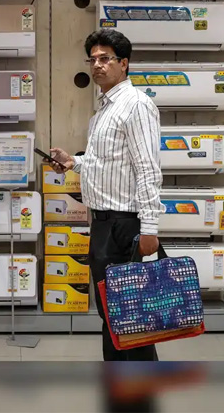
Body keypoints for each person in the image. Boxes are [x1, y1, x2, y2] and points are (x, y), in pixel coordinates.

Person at [49, 29, 164, 361]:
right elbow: (106, 163)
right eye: (93, 59)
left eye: (105, 59)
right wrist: (74, 162)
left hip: (125, 226)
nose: (97, 65)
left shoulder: (136, 105)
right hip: (102, 225)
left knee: (132, 317)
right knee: (112, 315)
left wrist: (150, 229)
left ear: (123, 64)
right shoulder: (104, 110)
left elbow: (148, 168)